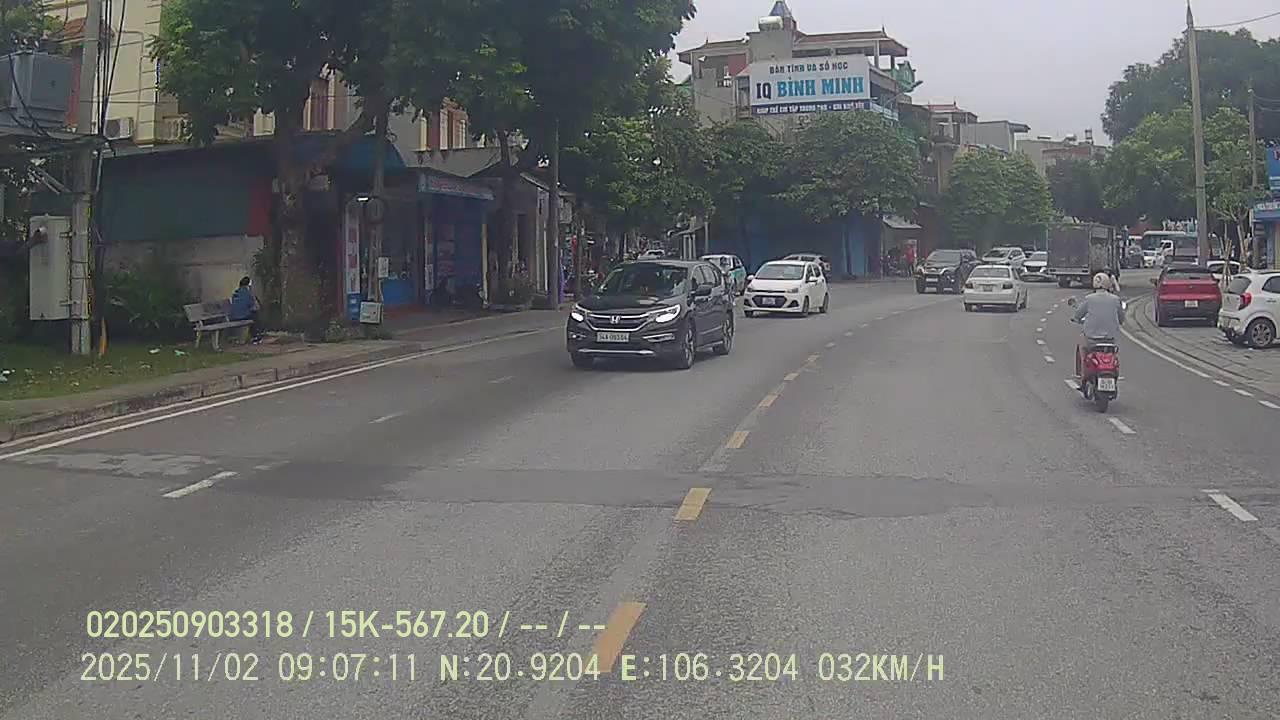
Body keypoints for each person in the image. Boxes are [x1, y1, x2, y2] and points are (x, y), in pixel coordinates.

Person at [1072, 272, 1125, 376]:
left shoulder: (1089, 299)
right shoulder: (1115, 299)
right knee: (1113, 353)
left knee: (1082, 347)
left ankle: (1082, 373)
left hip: (1092, 339)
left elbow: (1077, 315)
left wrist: (1076, 319)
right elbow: (1121, 318)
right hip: (1110, 339)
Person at [229, 276, 263, 343]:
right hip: (243, 316)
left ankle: (255, 335)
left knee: (252, 315)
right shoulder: (248, 293)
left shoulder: (236, 292)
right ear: (248, 285)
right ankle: (255, 336)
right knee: (254, 316)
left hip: (233, 316)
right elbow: (254, 307)